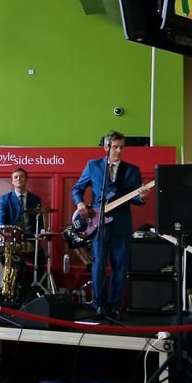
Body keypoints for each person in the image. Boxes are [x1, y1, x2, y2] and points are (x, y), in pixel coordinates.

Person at [71, 130, 150, 320]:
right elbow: (77, 189)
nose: (119, 151)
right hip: (99, 221)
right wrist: (81, 204)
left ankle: (114, 306)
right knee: (98, 263)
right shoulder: (93, 166)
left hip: (122, 222)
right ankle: (99, 304)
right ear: (106, 148)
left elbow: (136, 200)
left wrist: (142, 197)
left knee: (120, 265)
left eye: (122, 147)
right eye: (115, 147)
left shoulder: (132, 170)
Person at [0, 168, 44, 293]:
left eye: (21, 176)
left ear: (26, 179)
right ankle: (6, 288)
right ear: (12, 181)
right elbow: (1, 222)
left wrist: (42, 232)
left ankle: (37, 288)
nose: (19, 179)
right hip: (12, 237)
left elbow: (40, 221)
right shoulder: (5, 199)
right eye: (16, 177)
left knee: (41, 256)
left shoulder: (35, 199)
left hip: (30, 237)